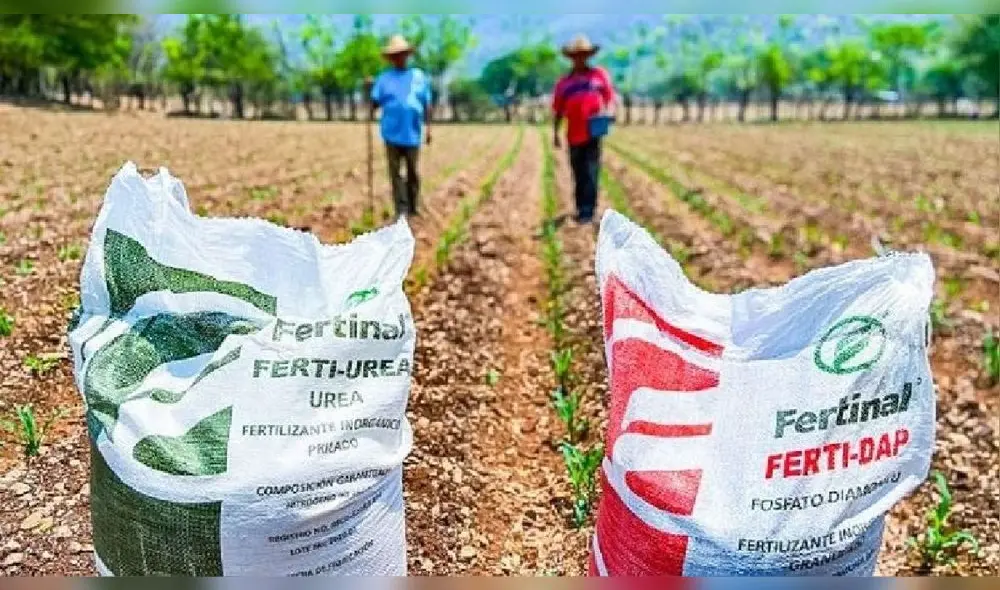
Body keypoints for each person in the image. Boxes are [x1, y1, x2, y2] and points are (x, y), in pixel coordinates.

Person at [367, 35, 433, 219]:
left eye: (402, 54)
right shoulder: (383, 79)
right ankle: (401, 209)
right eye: (395, 55)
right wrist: (369, 92)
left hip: (412, 132)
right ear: (391, 58)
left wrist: (429, 129)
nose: (399, 58)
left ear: (407, 55)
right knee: (395, 173)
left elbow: (427, 103)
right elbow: (375, 102)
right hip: (391, 132)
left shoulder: (418, 76)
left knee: (413, 172)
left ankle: (413, 206)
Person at [552, 34, 615, 224]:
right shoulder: (564, 82)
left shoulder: (598, 76)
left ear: (588, 56)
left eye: (583, 55)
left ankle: (589, 210)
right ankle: (581, 208)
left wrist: (609, 113)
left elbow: (609, 98)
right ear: (571, 58)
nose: (580, 58)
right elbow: (558, 110)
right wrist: (555, 133)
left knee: (591, 170)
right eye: (576, 56)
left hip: (593, 130)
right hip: (573, 133)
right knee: (577, 171)